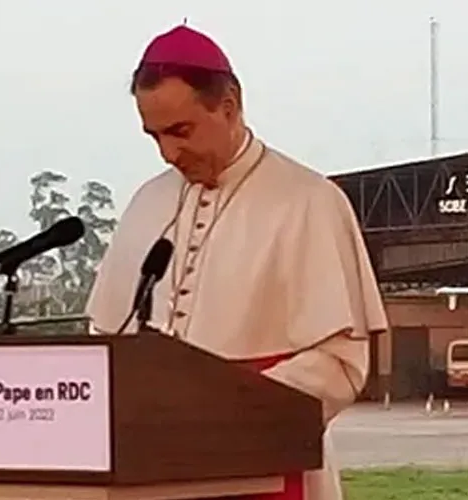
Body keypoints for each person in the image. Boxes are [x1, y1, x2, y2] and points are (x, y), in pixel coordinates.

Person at [86, 23, 388, 500]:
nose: (168, 153)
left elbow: (339, 364)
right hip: (153, 471)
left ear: (228, 106)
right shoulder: (147, 203)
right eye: (154, 136)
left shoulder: (308, 200)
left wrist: (221, 412)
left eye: (181, 131)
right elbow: (105, 342)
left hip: (267, 466)